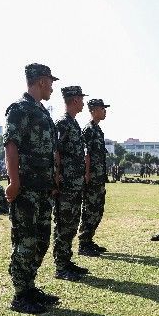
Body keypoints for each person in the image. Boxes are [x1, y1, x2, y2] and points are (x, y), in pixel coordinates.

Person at [4, 63, 59, 314]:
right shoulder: (19, 109)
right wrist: (14, 182)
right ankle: (20, 295)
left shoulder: (42, 111)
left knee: (41, 239)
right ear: (40, 82)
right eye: (50, 82)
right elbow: (11, 147)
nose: (52, 87)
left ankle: (29, 286)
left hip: (43, 187)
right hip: (26, 188)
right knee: (25, 241)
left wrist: (54, 179)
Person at [53, 86, 90, 281]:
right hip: (66, 185)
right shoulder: (62, 124)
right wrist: (57, 177)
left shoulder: (73, 123)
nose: (83, 103)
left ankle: (67, 261)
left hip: (75, 185)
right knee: (63, 224)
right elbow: (56, 152)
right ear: (75, 100)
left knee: (72, 224)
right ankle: (60, 266)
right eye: (81, 99)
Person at [79, 98, 110, 256]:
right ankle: (83, 244)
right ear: (93, 110)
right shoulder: (89, 130)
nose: (105, 111)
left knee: (97, 210)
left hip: (99, 178)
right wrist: (87, 175)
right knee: (90, 210)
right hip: (91, 178)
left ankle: (89, 240)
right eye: (102, 108)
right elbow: (86, 155)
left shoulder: (98, 130)